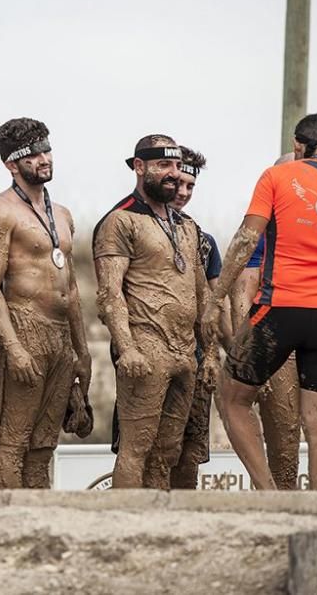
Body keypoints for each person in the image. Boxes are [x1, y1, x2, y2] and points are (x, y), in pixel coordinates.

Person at [202, 113, 317, 490]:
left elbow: (246, 242)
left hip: (279, 310)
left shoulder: (277, 176)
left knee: (232, 398)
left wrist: (215, 300)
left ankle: (269, 494)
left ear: (298, 145)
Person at [229, 153, 317, 491]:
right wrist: (244, 338)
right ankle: (279, 498)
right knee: (288, 450)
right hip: (296, 337)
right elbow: (244, 287)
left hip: (305, 326)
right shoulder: (267, 228)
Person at [95, 134, 219, 489]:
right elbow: (109, 293)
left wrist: (209, 353)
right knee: (137, 446)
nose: (173, 174)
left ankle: (157, 526)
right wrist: (127, 347)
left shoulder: (188, 226)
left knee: (169, 450)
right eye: (164, 165)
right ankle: (126, 526)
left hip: (185, 351)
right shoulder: (121, 220)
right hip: (146, 345)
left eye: (177, 166)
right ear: (139, 167)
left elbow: (203, 298)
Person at [0, 117, 92, 489]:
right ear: (12, 164)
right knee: (13, 441)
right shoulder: (0, 212)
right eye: (33, 155)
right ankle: (7, 524)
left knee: (44, 444)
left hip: (60, 335)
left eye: (46, 150)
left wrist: (82, 349)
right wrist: (13, 347)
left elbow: (71, 287)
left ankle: (39, 519)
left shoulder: (62, 215)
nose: (44, 159)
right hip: (23, 326)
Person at [168, 146, 225, 489]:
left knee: (191, 453)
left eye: (191, 186)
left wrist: (223, 352)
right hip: (153, 353)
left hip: (197, 356)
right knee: (153, 449)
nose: (183, 194)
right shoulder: (133, 225)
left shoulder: (204, 241)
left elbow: (218, 302)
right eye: (178, 184)